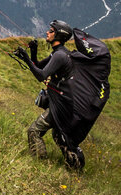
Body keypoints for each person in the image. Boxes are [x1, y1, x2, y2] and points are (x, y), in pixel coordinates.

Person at [15, 19, 77, 163]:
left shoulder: (60, 56)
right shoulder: (57, 53)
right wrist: (32, 52)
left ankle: (41, 162)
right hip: (63, 103)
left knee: (33, 131)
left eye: (51, 31)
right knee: (58, 136)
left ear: (59, 35)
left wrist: (25, 57)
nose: (47, 33)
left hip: (61, 106)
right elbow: (38, 66)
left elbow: (41, 75)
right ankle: (74, 165)